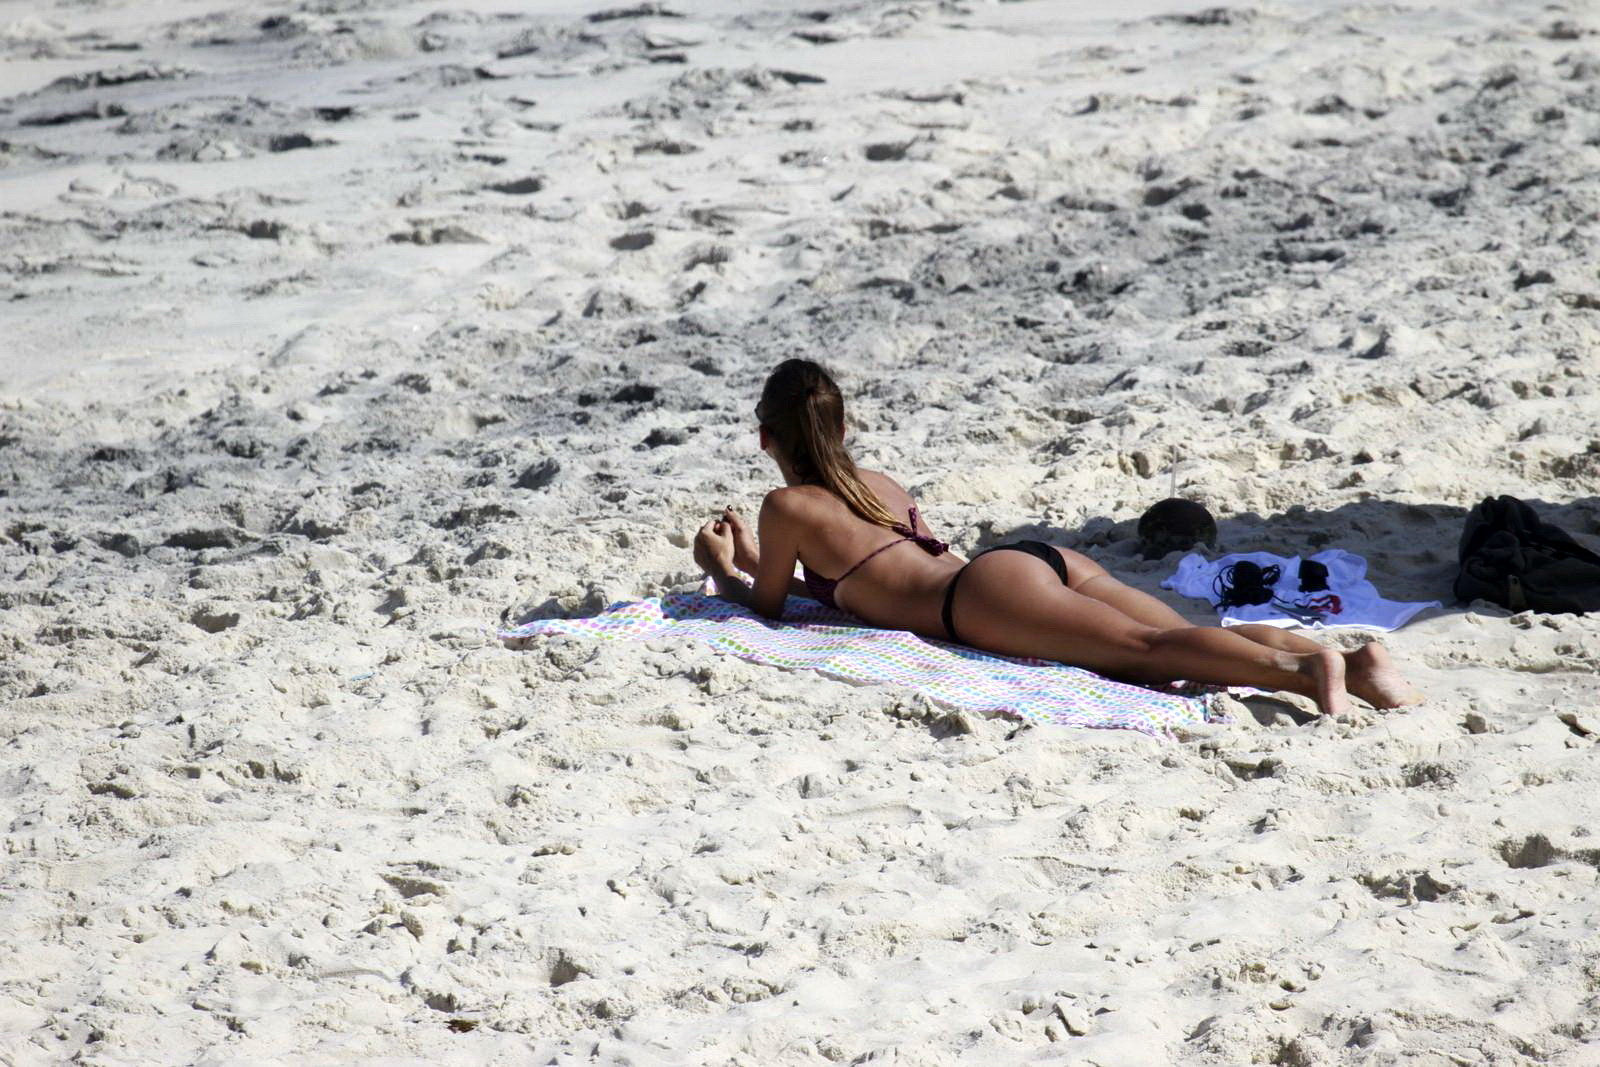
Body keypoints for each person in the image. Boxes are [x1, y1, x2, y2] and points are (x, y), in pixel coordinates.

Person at [692, 359, 1421, 717]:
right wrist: (756, 563)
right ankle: (1355, 665)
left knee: (1147, 656)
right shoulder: (877, 482)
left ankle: (1301, 675)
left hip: (977, 597)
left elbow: (773, 609)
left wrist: (724, 569)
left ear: (766, 438)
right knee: (1179, 631)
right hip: (1027, 563)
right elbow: (841, 566)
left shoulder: (786, 503)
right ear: (843, 428)